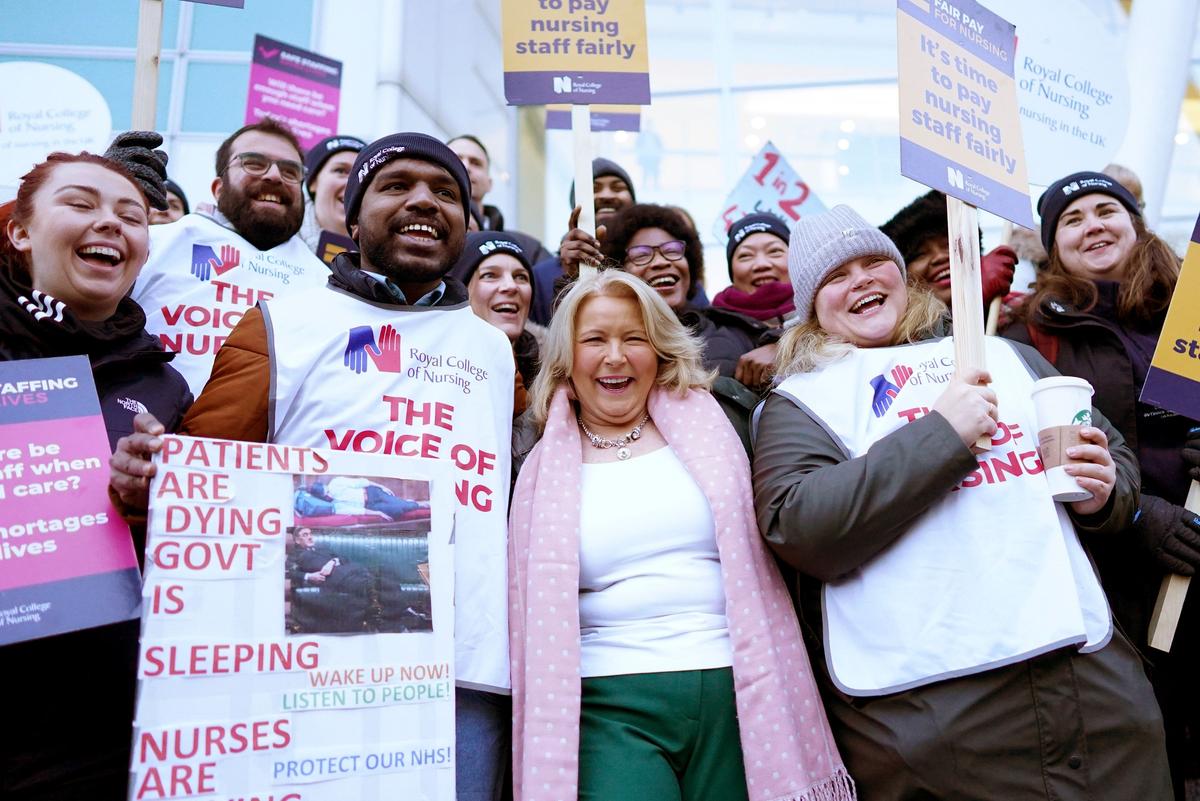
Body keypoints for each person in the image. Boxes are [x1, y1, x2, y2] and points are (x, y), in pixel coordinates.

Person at [110, 133, 516, 801]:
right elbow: (201, 485)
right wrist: (147, 482)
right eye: (396, 185)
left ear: (468, 225)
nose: (423, 200)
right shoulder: (279, 323)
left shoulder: (499, 355)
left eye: (447, 192)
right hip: (309, 667)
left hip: (463, 673)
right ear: (350, 218)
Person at [752, 204, 1171, 800]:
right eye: (837, 276)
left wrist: (1103, 488)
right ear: (811, 306)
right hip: (936, 720)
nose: (863, 280)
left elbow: (1110, 454)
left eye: (875, 263)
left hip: (1090, 693)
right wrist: (940, 435)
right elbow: (800, 527)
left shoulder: (1001, 355)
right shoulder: (801, 403)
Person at [510, 268, 854, 801]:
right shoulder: (533, 464)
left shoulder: (725, 424)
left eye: (634, 337)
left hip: (741, 694)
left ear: (661, 349)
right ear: (565, 358)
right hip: (609, 705)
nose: (616, 356)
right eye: (595, 340)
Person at [1, 148, 191, 800]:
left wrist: (153, 499)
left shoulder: (163, 384)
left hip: (105, 735)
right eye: (80, 204)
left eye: (130, 215)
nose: (110, 223)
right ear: (21, 231)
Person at [1004, 170, 1199, 797]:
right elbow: (1025, 460)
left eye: (1104, 210)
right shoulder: (1032, 336)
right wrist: (1140, 515)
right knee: (1153, 745)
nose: (1093, 225)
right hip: (1117, 579)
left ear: (1133, 221)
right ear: (1052, 246)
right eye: (1072, 219)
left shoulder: (1191, 306)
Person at [130, 117, 327, 395]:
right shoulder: (150, 245)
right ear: (218, 188)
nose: (273, 176)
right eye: (254, 163)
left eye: (290, 171)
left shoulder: (325, 283)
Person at [601, 203, 771, 381]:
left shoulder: (732, 330)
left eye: (672, 250)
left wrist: (779, 350)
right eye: (641, 254)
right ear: (619, 271)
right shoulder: (604, 341)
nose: (660, 262)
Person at [529, 157, 636, 325]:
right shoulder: (540, 277)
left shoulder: (646, 264)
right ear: (575, 206)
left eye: (618, 188)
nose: (606, 195)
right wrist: (570, 276)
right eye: (594, 188)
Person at [449, 230, 542, 415]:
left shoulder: (556, 375)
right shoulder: (430, 372)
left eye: (521, 277)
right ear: (461, 290)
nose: (511, 286)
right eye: (490, 275)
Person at [880, 189, 1017, 311]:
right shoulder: (894, 333)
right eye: (919, 254)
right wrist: (970, 303)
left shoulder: (1018, 311)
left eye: (948, 245)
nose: (940, 257)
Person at [710, 212, 794, 388]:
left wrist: (788, 349)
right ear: (732, 272)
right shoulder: (710, 330)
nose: (761, 264)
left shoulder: (829, 311)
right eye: (746, 256)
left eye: (775, 252)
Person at [298, 134, 366, 251]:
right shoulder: (277, 239)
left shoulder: (387, 260)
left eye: (362, 175)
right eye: (340, 171)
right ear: (313, 182)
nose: (352, 184)